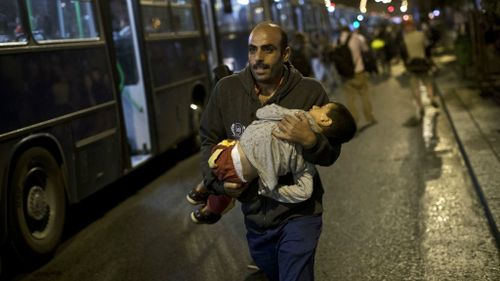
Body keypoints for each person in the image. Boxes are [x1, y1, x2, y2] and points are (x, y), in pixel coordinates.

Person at [198, 22, 343, 281]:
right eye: (252, 50)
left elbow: (331, 154)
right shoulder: (227, 90)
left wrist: (310, 141)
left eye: (268, 50)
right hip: (255, 219)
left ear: (285, 54)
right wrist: (219, 187)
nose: (258, 58)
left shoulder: (310, 91)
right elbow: (208, 140)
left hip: (300, 215)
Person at [187, 102, 356, 224]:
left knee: (217, 165)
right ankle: (210, 206)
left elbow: (263, 112)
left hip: (233, 152)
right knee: (227, 182)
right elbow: (304, 189)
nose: (315, 107)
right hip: (243, 174)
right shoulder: (304, 160)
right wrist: (270, 189)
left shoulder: (297, 116)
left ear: (326, 121)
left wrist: (310, 140)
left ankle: (203, 192)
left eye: (322, 108)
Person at [338, 26, 377, 127]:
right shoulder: (356, 38)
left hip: (345, 76)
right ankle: (370, 117)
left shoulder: (338, 41)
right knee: (364, 95)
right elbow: (365, 49)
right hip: (359, 71)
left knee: (350, 100)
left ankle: (354, 122)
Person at [401, 19, 437, 122]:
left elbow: (403, 52)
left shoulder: (404, 38)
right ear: (413, 26)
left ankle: (420, 106)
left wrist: (406, 63)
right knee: (428, 82)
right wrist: (428, 59)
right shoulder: (421, 35)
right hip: (423, 63)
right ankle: (432, 99)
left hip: (412, 65)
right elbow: (427, 47)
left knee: (415, 87)